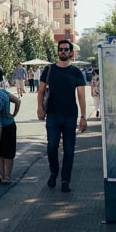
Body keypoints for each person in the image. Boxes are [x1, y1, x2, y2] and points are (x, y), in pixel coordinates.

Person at [37, 40, 87, 193]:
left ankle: (65, 180)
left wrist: (83, 117)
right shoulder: (49, 70)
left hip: (70, 115)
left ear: (71, 52)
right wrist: (40, 108)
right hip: (52, 115)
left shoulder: (76, 72)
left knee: (69, 149)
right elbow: (41, 91)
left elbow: (81, 96)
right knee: (52, 146)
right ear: (58, 51)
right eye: (61, 49)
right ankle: (53, 172)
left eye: (66, 49)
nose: (63, 52)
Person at [0, 69, 21, 184]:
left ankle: (1, 175)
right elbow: (18, 101)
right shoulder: (4, 93)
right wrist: (14, 114)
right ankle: (7, 176)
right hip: (9, 124)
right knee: (8, 152)